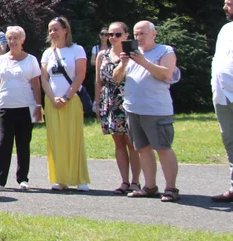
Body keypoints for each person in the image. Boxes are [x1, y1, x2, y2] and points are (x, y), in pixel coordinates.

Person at [115, 21, 180, 202]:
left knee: (163, 148)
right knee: (142, 149)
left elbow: (166, 74)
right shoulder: (131, 55)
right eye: (136, 34)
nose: (139, 38)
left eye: (143, 33)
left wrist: (142, 61)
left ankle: (171, 188)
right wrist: (123, 64)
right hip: (133, 109)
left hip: (156, 110)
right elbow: (116, 78)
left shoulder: (164, 51)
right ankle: (149, 187)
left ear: (154, 34)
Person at [0, 26, 42, 192]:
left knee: (23, 143)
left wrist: (39, 106)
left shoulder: (31, 60)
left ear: (22, 40)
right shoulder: (0, 60)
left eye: (16, 38)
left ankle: (23, 179)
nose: (12, 41)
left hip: (25, 106)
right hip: (5, 107)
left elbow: (36, 85)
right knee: (4, 144)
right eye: (10, 38)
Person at [40, 17, 90, 191]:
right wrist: (53, 98)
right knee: (56, 140)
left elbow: (80, 75)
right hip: (52, 101)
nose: (53, 33)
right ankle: (60, 178)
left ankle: (79, 178)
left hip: (72, 100)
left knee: (74, 138)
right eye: (50, 30)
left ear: (65, 30)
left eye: (56, 29)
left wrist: (66, 97)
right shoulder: (47, 53)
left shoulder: (77, 50)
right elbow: (44, 79)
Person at [96, 22, 140, 194]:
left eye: (117, 34)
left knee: (132, 143)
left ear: (127, 35)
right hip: (110, 100)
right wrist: (97, 103)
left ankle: (136, 182)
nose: (113, 38)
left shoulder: (133, 54)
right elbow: (98, 81)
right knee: (118, 143)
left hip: (128, 99)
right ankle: (124, 181)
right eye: (110, 34)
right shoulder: (102, 54)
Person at [211, 0, 233, 203]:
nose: (225, 7)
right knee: (231, 143)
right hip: (223, 96)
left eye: (229, 3)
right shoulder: (226, 29)